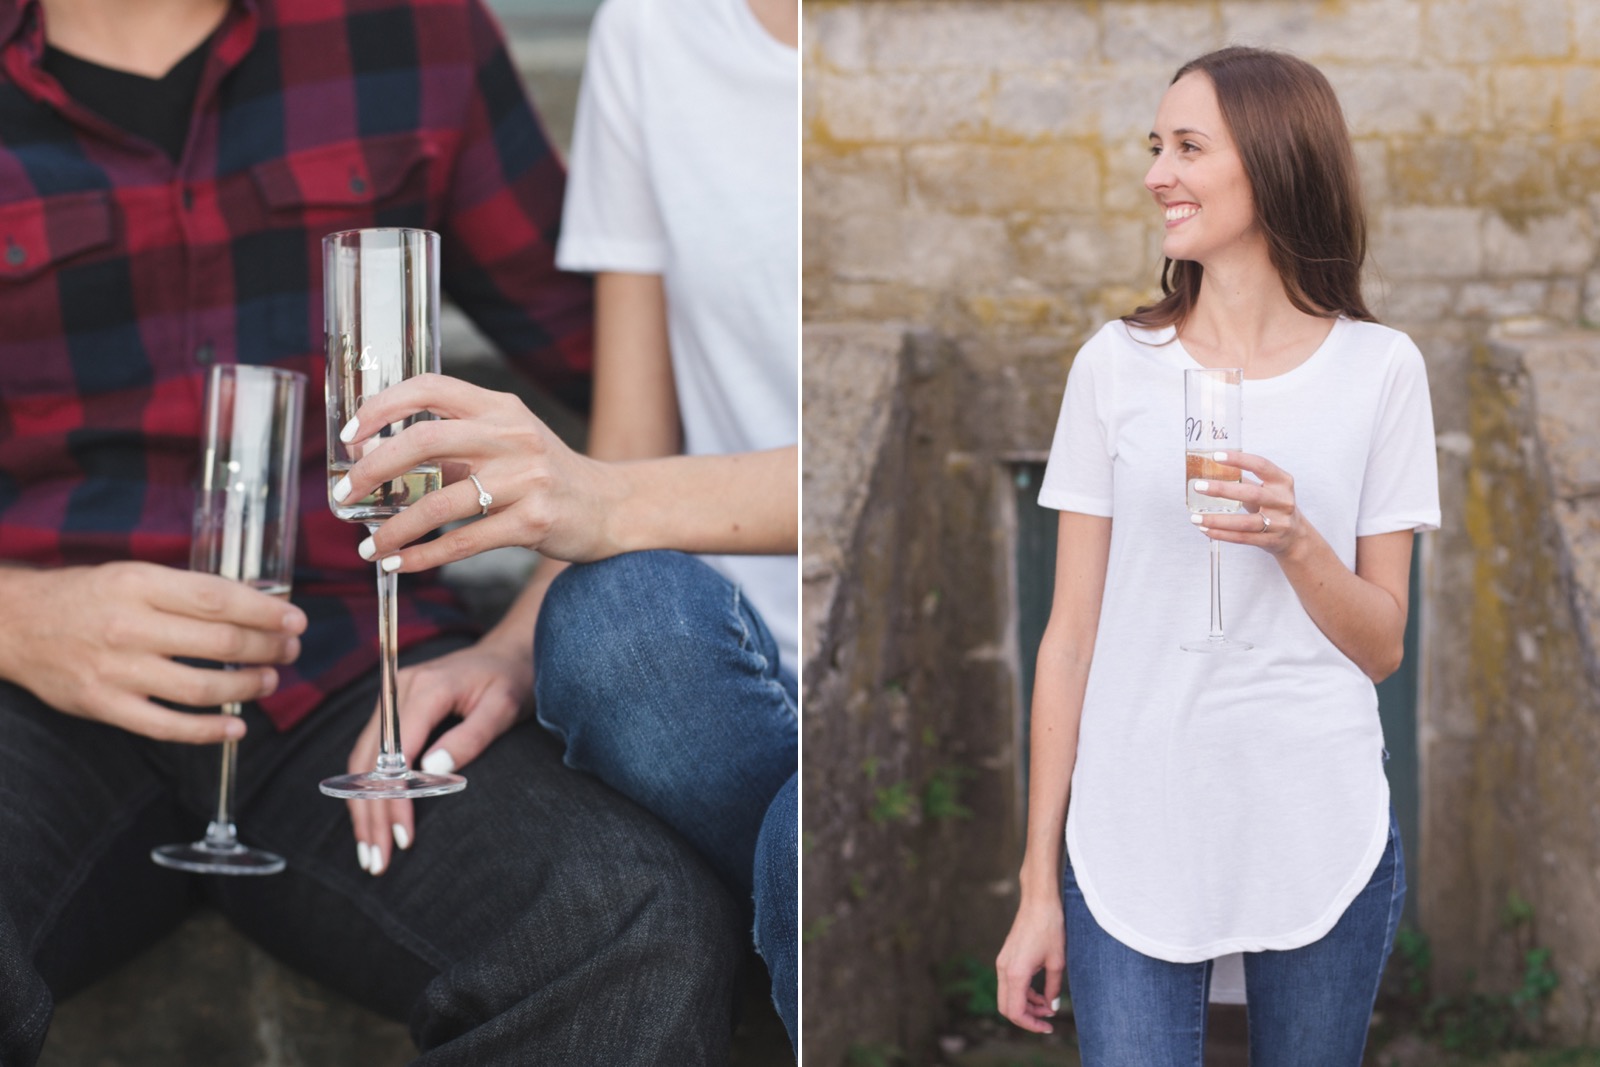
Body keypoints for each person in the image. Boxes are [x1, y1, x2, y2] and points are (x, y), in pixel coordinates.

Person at [0, 0, 744, 1064]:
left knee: (629, 917)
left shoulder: (412, 29)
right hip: (36, 693)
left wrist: (521, 633)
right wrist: (18, 617)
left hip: (362, 672)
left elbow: (627, 372)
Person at [334, 0, 800, 1050]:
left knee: (794, 852)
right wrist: (505, 650)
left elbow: (613, 491)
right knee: (604, 619)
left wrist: (604, 499)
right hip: (710, 669)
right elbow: (624, 444)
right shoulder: (651, 33)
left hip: (868, 634)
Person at [993, 47, 1440, 1065]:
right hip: (1130, 832)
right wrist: (1034, 889)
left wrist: (1292, 540)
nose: (1157, 173)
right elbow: (1067, 641)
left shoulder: (1381, 372)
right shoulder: (1113, 367)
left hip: (1316, 826)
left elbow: (1381, 645)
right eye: (1157, 146)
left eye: (1188, 147)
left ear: (1276, 165)